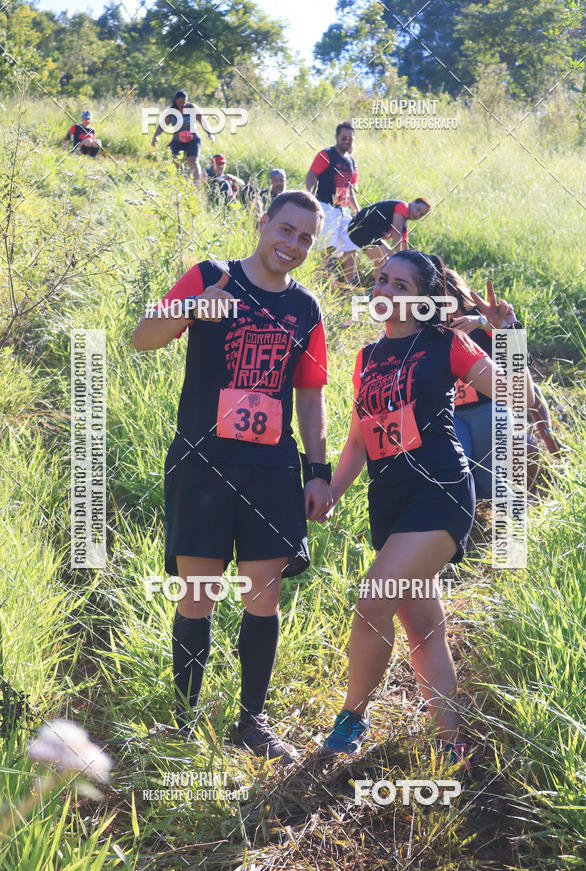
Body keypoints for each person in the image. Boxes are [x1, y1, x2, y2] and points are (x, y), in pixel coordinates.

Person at [132, 190, 332, 763]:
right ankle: (184, 720)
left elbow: (311, 395)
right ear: (263, 221)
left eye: (305, 239)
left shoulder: (306, 309)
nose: (291, 245)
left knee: (261, 598)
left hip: (271, 467)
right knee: (198, 595)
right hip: (202, 462)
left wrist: (317, 471)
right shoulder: (209, 276)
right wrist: (193, 309)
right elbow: (142, 336)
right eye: (285, 230)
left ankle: (252, 722)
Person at [318, 250, 535, 762]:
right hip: (389, 501)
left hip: (440, 490)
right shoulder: (367, 358)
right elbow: (356, 441)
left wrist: (509, 336)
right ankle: (451, 743)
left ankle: (352, 717)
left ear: (421, 298)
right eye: (381, 280)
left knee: (373, 602)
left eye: (399, 284)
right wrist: (329, 493)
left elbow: (517, 395)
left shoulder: (446, 342)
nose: (384, 290)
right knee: (424, 629)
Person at [447, 271, 561, 495]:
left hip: (490, 416)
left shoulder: (481, 322)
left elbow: (530, 390)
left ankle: (519, 501)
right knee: (459, 463)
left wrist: (549, 438)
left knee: (524, 446)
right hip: (454, 420)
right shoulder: (428, 329)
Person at [305, 121, 360, 282]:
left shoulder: (351, 161)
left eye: (349, 138)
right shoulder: (326, 154)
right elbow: (311, 175)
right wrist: (311, 197)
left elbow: (349, 188)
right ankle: (321, 280)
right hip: (325, 205)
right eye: (343, 137)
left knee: (352, 245)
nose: (346, 141)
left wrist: (356, 209)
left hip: (343, 209)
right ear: (337, 137)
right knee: (326, 247)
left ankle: (348, 284)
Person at [344, 198, 431, 277]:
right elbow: (396, 233)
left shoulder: (404, 225)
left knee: (390, 256)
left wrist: (405, 263)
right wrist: (400, 260)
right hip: (360, 229)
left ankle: (379, 285)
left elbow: (404, 247)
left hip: (370, 234)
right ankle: (376, 290)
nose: (417, 214)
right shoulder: (403, 207)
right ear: (413, 202)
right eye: (418, 209)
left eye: (421, 215)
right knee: (382, 262)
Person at [151, 90, 214, 185]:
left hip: (193, 139)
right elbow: (162, 125)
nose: (182, 104)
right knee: (177, 162)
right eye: (180, 102)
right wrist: (155, 136)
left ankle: (197, 185)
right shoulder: (171, 111)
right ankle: (182, 183)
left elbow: (202, 121)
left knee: (192, 161)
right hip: (177, 140)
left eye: (184, 101)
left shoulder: (192, 107)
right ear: (175, 101)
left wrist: (209, 133)